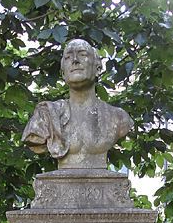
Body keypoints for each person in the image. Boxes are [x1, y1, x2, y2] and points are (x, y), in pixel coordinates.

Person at [22, 38, 133, 169]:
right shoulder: (46, 115)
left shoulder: (118, 117)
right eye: (68, 57)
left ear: (97, 67)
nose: (75, 60)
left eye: (83, 54)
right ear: (63, 72)